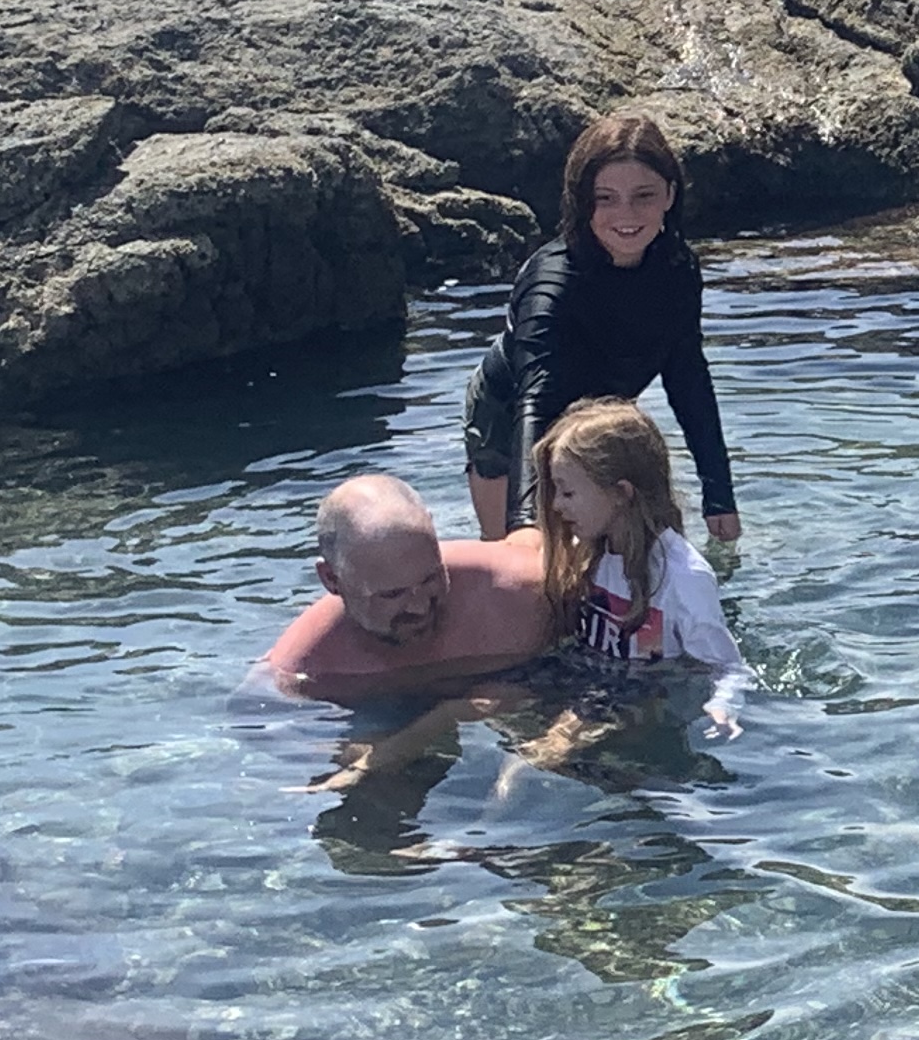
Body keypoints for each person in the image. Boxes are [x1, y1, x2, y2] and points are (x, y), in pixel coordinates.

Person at [466, 112, 741, 550]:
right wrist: (524, 529)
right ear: (581, 201)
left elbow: (687, 375)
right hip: (512, 417)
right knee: (524, 570)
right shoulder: (551, 284)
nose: (626, 215)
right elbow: (536, 401)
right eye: (606, 198)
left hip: (602, 418)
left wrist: (719, 495)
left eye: (643, 195)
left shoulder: (677, 268)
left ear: (670, 194)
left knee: (637, 555)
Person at [258, 473, 558, 700]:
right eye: (392, 594)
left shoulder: (523, 595)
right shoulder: (304, 671)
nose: (419, 607)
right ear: (331, 580)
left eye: (430, 578)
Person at [537, 398, 741, 676]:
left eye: (568, 493)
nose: (556, 505)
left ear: (621, 493)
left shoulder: (684, 578)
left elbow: (727, 669)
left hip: (647, 699)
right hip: (596, 683)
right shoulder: (588, 554)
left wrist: (722, 710)